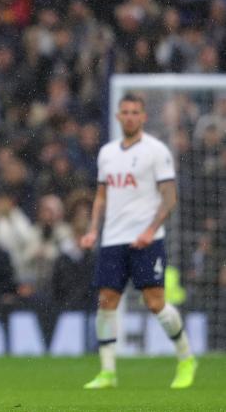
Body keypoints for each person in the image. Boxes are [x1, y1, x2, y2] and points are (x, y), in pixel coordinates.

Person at [80, 93, 197, 389]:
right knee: (106, 302)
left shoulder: (156, 151)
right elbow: (101, 196)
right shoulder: (107, 153)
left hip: (147, 240)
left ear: (143, 117)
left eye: (135, 112)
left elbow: (170, 197)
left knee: (155, 303)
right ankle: (108, 372)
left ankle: (186, 358)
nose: (130, 117)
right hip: (113, 239)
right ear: (118, 116)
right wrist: (93, 230)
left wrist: (150, 230)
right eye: (126, 112)